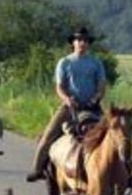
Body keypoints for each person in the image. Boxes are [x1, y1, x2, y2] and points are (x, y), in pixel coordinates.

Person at [26, 26, 107, 182]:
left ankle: (125, 172)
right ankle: (37, 169)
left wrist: (96, 98)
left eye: (85, 40)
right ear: (73, 43)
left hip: (92, 106)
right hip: (70, 106)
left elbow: (102, 85)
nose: (82, 43)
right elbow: (59, 86)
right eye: (79, 40)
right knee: (48, 136)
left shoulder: (96, 63)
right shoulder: (65, 62)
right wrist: (67, 99)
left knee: (113, 133)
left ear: (88, 44)